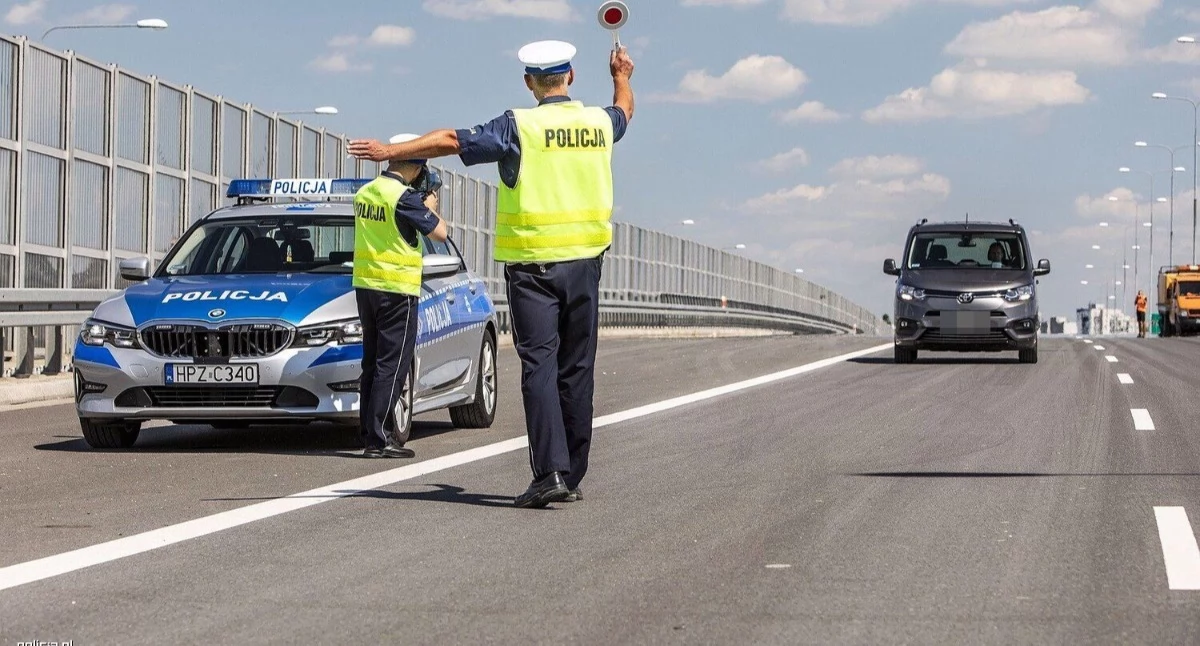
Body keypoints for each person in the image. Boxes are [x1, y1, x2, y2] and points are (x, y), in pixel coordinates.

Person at [348, 40, 635, 507]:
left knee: (539, 365)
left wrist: (389, 150)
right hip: (586, 265)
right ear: (571, 77)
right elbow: (624, 109)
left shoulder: (517, 126)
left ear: (529, 82)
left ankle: (551, 473)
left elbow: (451, 141)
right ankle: (573, 474)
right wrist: (622, 74)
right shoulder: (598, 123)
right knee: (577, 369)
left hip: (533, 269)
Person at [352, 133, 448, 458]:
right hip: (397, 290)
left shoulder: (366, 192)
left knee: (372, 362)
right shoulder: (404, 198)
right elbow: (440, 233)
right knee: (392, 364)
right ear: (416, 165)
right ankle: (381, 440)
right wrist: (430, 207)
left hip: (366, 287)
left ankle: (369, 433)